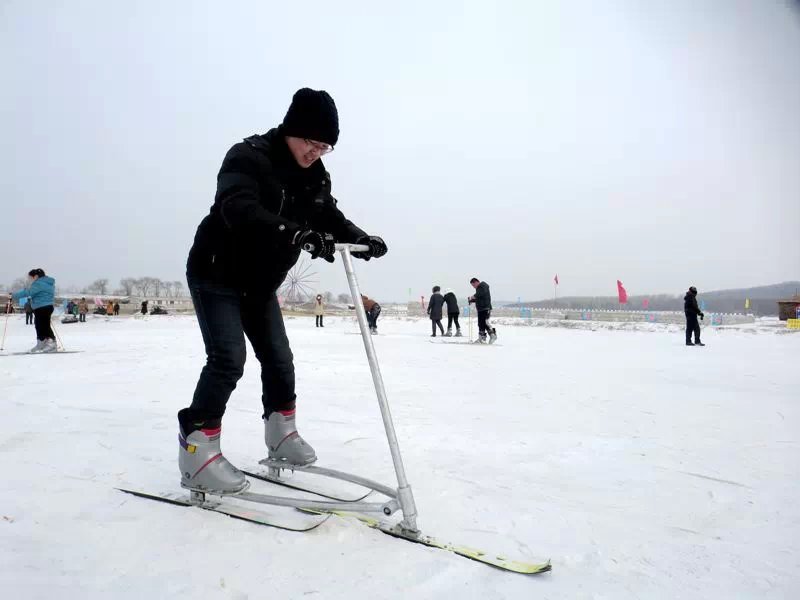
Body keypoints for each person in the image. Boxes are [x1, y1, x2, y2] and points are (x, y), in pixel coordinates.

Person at [178, 87, 388, 494]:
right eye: (312, 142)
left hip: (259, 283)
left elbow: (328, 213)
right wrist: (297, 234)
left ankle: (282, 435)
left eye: (325, 147)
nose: (317, 152)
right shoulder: (248, 156)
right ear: (293, 130)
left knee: (279, 358)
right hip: (216, 272)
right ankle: (197, 453)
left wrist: (361, 239)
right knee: (228, 358)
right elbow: (238, 207)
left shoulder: (316, 175)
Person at [9, 268, 57, 353]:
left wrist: (14, 295)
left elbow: (28, 292)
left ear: (36, 276)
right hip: (44, 307)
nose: (30, 279)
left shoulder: (39, 283)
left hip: (43, 307)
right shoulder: (47, 283)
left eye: (31, 277)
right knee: (39, 325)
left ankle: (52, 344)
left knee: (44, 326)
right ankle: (41, 343)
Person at [468, 277, 497, 344]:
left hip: (485, 308)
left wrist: (472, 296)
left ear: (476, 282)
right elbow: (480, 297)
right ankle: (482, 338)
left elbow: (480, 294)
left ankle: (493, 335)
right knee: (481, 324)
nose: (473, 287)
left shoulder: (483, 286)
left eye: (473, 285)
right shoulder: (479, 289)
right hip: (481, 309)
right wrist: (472, 300)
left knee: (485, 322)